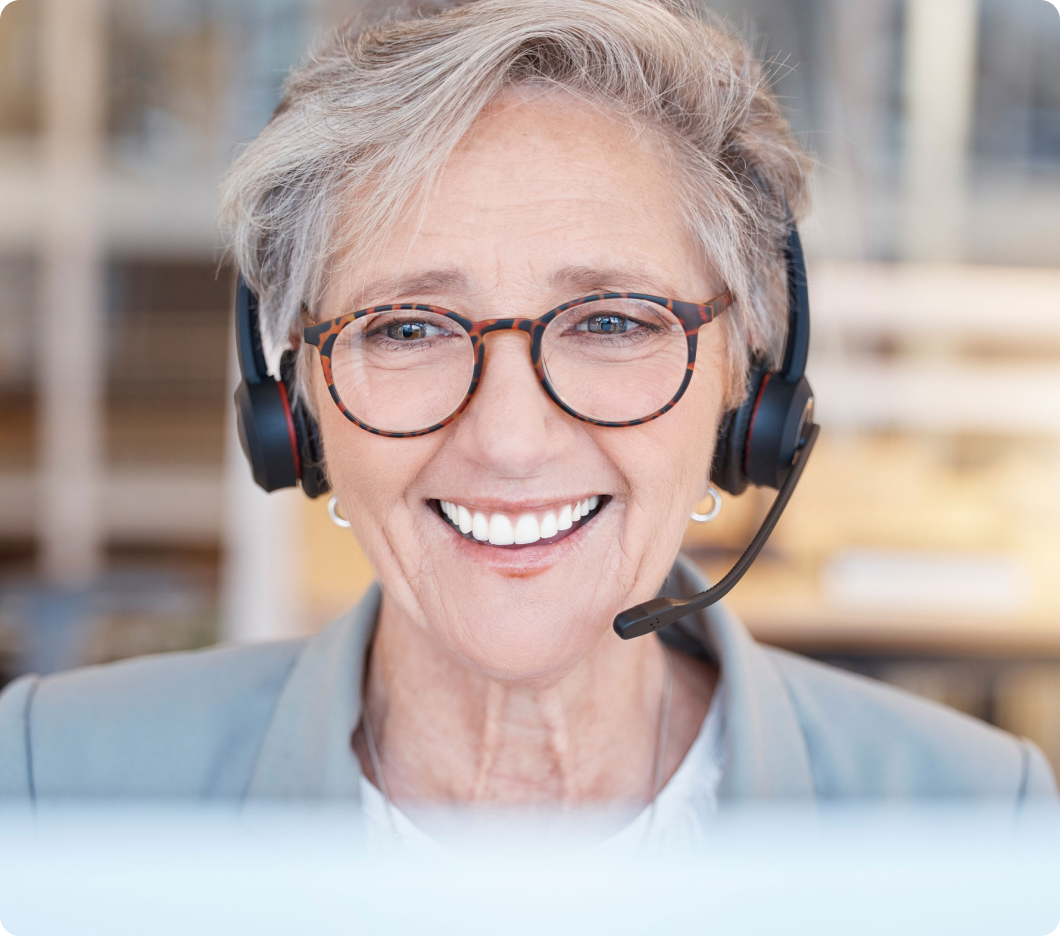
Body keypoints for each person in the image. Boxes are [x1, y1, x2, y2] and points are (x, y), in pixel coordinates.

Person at [1, 0, 1053, 841]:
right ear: (299, 408)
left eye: (609, 321)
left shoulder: (976, 819)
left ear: (749, 389)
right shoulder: (52, 787)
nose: (508, 439)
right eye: (408, 329)